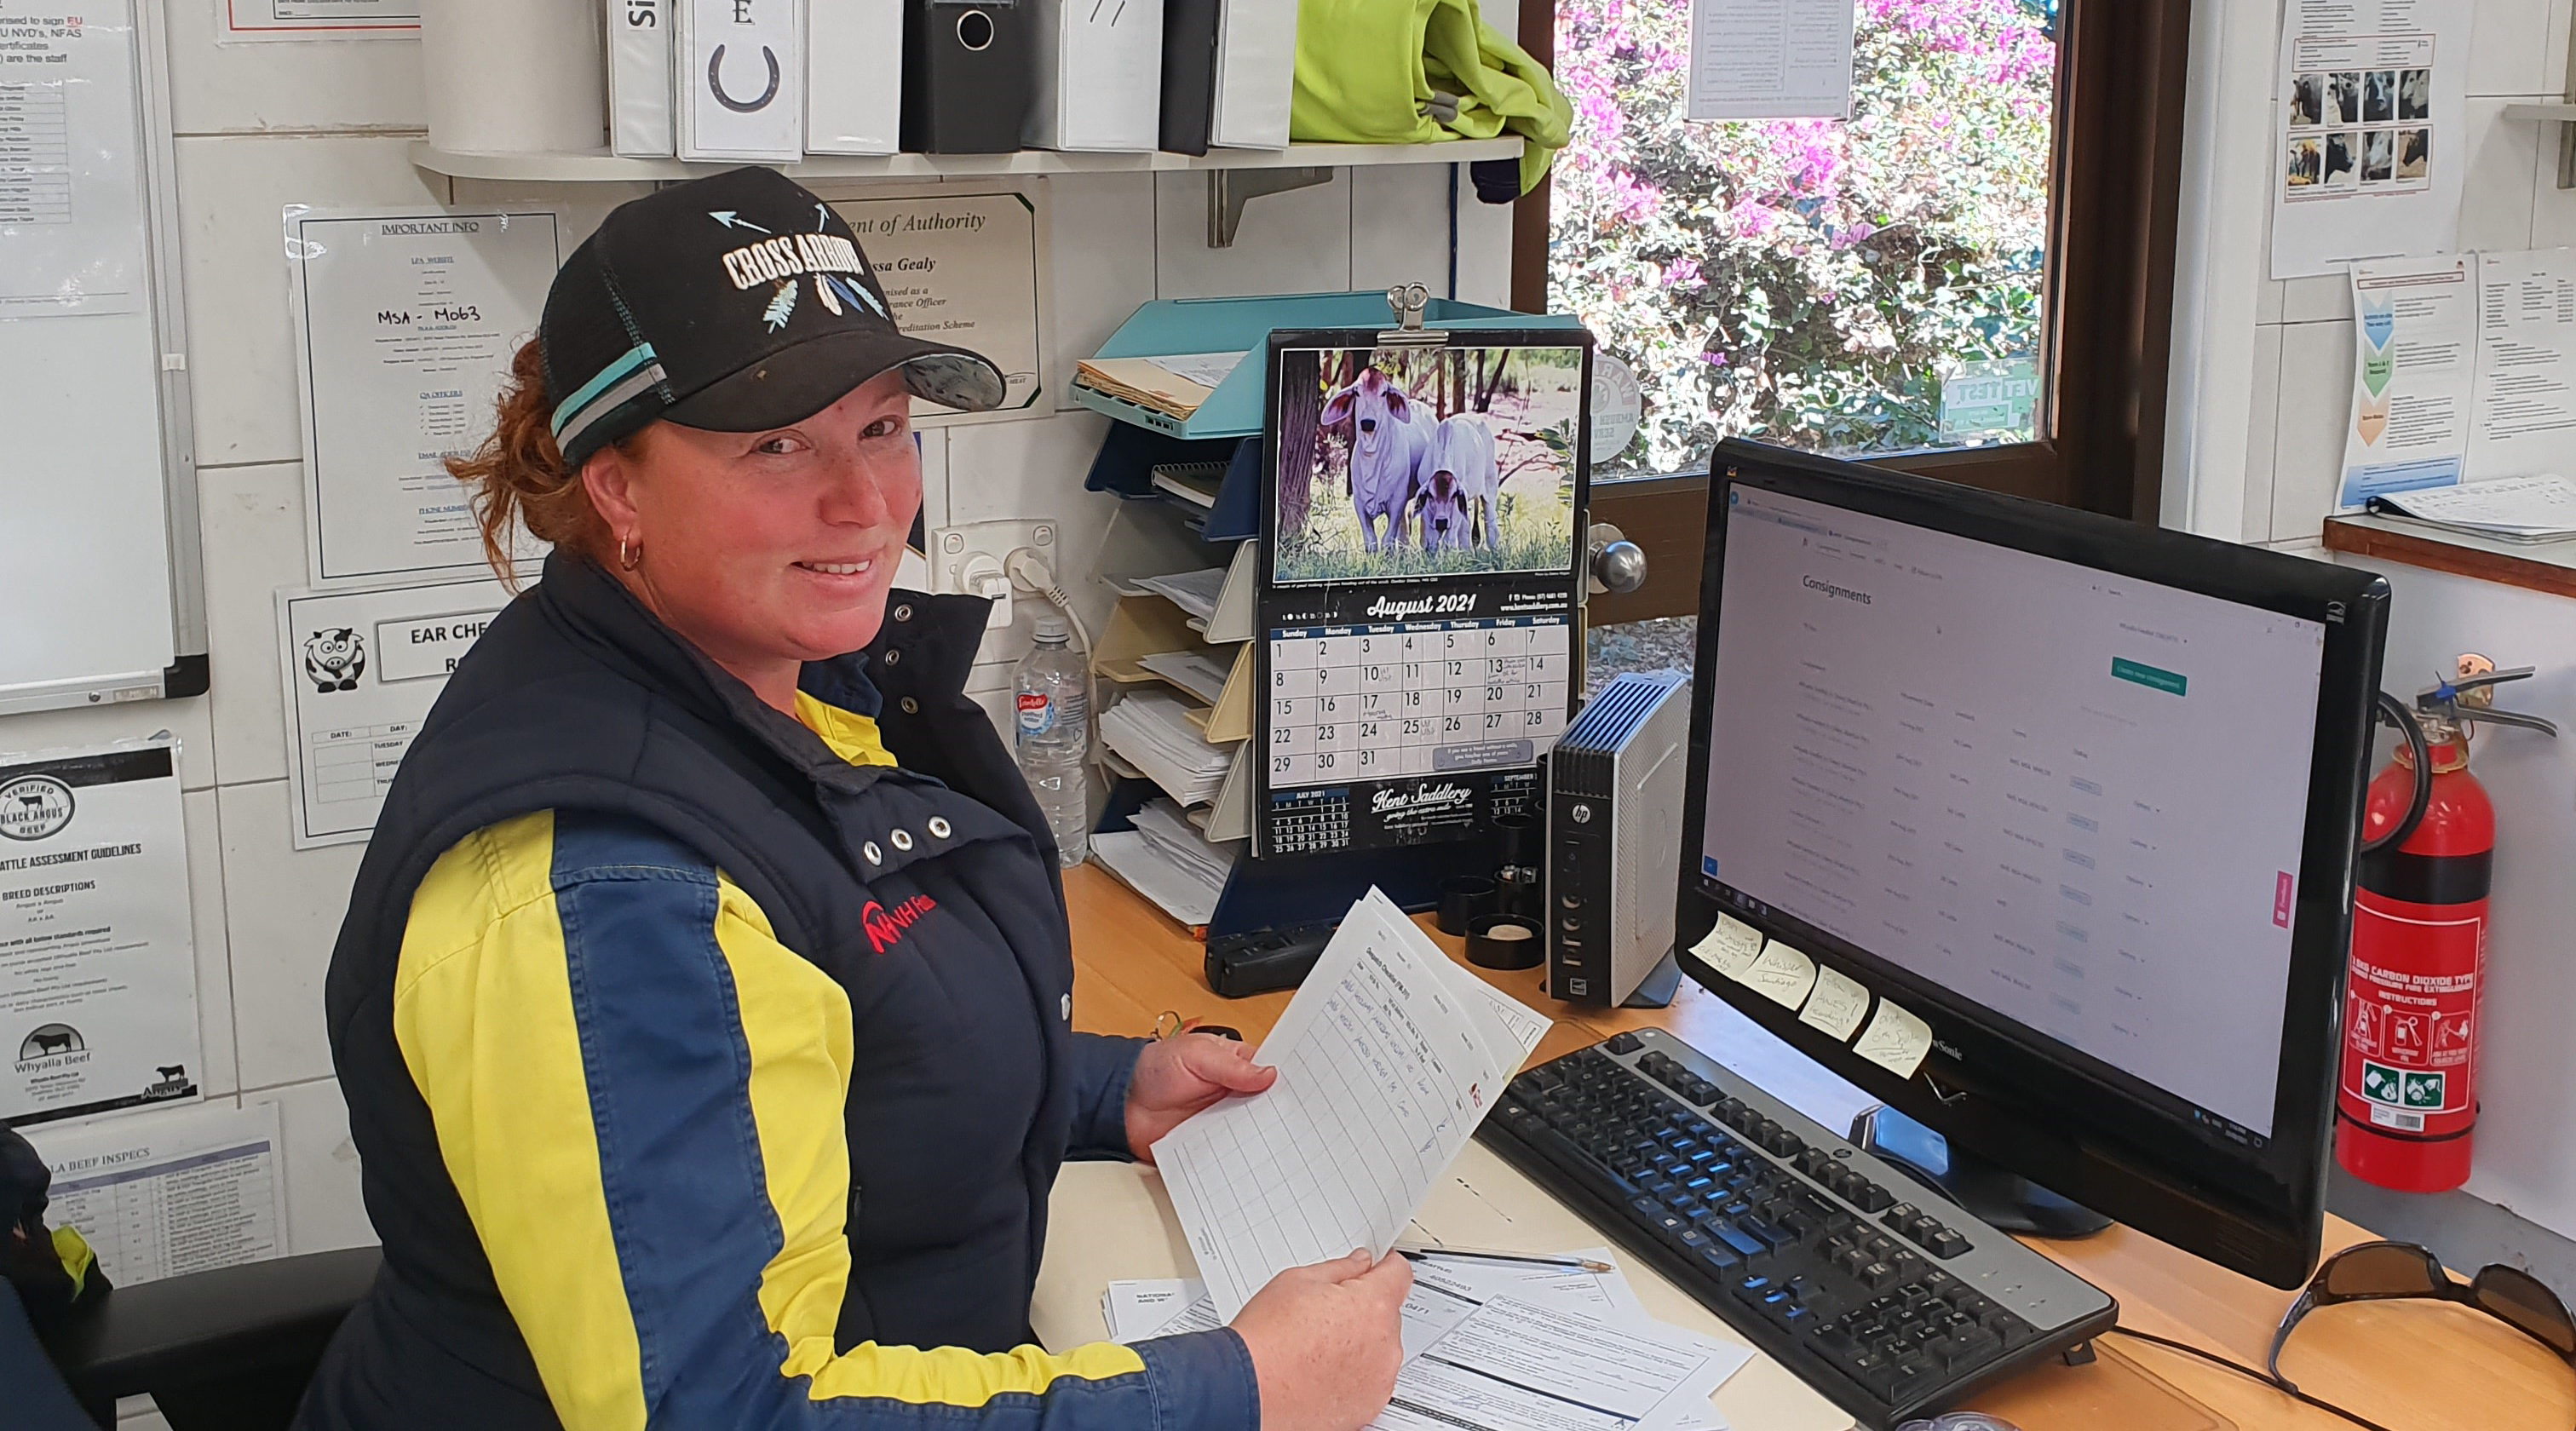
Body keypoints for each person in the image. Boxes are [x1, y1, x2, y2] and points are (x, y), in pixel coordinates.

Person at [296, 167, 1411, 1431]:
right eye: (777, 444)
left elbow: (848, 1040)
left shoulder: (774, 681)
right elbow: (730, 1414)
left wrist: (1103, 1089)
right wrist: (1239, 1395)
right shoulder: (606, 890)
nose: (867, 503)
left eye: (882, 427)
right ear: (615, 486)